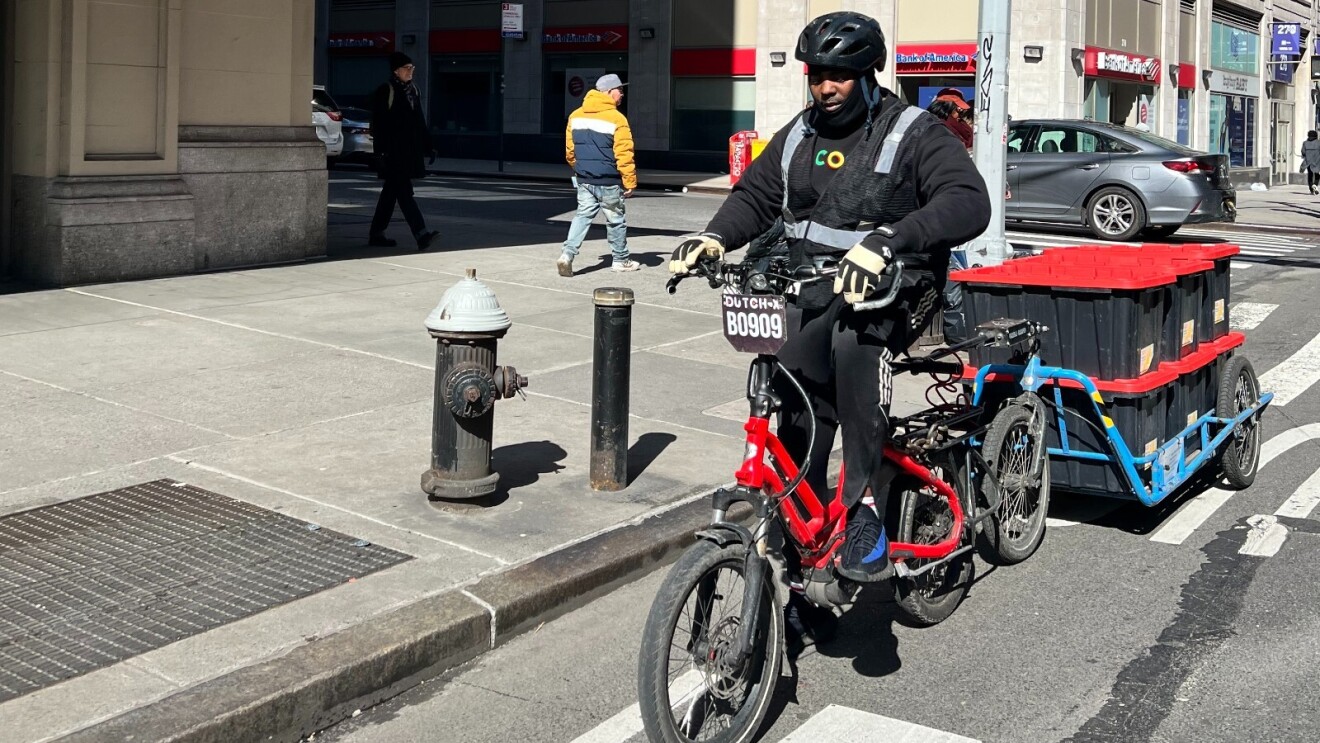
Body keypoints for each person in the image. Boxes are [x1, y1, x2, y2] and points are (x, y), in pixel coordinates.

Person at [668, 12, 990, 604]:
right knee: (790, 380)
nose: (825, 86)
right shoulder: (800, 133)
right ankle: (801, 525)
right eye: (817, 74)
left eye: (839, 74)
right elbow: (758, 196)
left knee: (850, 348)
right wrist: (715, 237)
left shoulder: (913, 132)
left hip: (896, 292)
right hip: (814, 289)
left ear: (870, 72)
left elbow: (969, 202)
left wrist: (892, 241)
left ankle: (863, 506)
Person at [558, 74, 640, 276]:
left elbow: (570, 151)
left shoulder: (576, 115)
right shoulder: (617, 118)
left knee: (582, 216)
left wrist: (579, 168)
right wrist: (629, 181)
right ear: (609, 92)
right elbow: (624, 153)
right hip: (609, 180)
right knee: (615, 220)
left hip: (585, 179)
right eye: (619, 90)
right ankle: (620, 260)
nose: (622, 94)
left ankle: (567, 254)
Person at [368, 52, 437, 251]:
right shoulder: (386, 91)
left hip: (408, 153)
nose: (411, 71)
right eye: (407, 68)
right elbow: (379, 125)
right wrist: (379, 153)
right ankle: (421, 234)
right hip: (392, 155)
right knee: (405, 193)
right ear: (396, 71)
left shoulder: (413, 90)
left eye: (412, 68)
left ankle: (376, 233)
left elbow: (419, 121)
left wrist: (429, 145)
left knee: (390, 194)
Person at [1302, 130, 1320, 195]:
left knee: (1310, 174)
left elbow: (1303, 152)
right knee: (1317, 174)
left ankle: (1311, 189)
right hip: (1317, 161)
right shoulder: (1319, 143)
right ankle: (1315, 184)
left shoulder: (1305, 143)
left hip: (1308, 161)